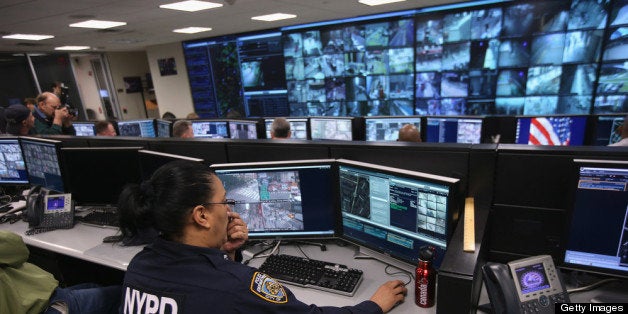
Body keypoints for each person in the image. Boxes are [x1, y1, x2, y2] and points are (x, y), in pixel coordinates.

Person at [117, 160, 406, 313]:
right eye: (225, 202)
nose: (230, 211)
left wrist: (228, 256)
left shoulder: (139, 266)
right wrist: (374, 305)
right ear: (201, 215)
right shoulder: (239, 286)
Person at [0, 230, 121, 314]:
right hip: (44, 307)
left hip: (37, 296)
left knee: (94, 285)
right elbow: (19, 249)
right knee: (123, 295)